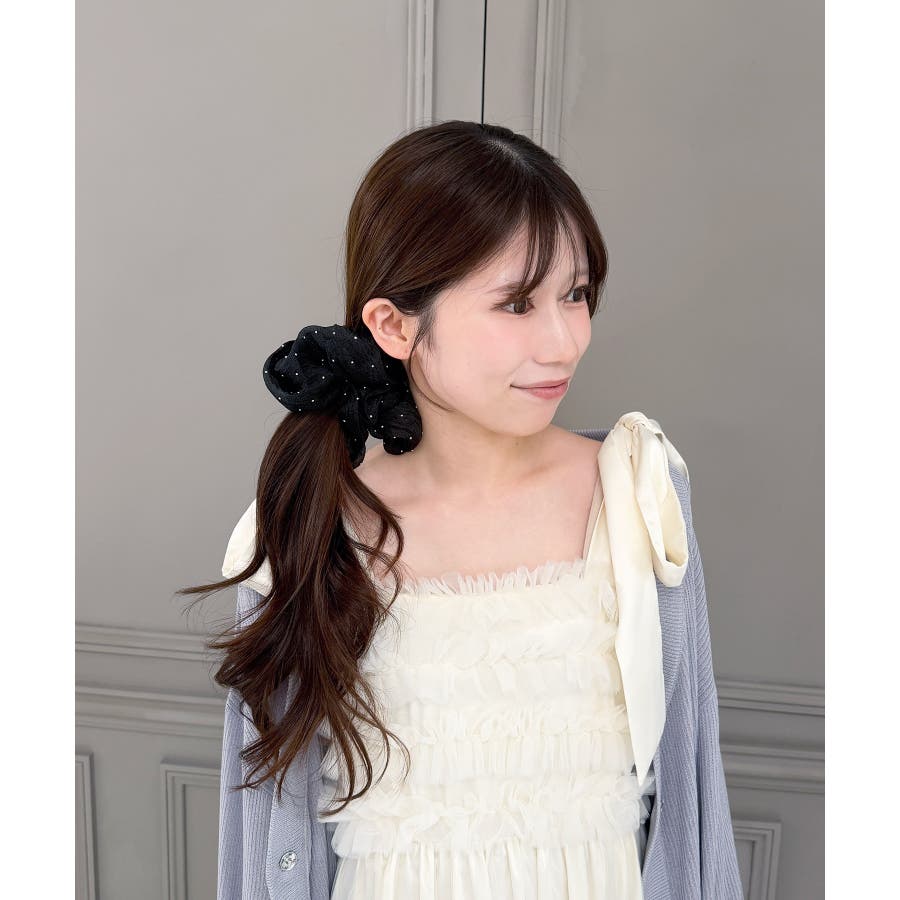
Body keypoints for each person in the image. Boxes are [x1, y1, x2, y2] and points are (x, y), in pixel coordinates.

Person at [180, 120, 742, 899]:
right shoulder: (313, 524)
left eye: (576, 294)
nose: (564, 342)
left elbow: (689, 785)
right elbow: (264, 826)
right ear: (394, 325)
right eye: (516, 304)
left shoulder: (636, 495)